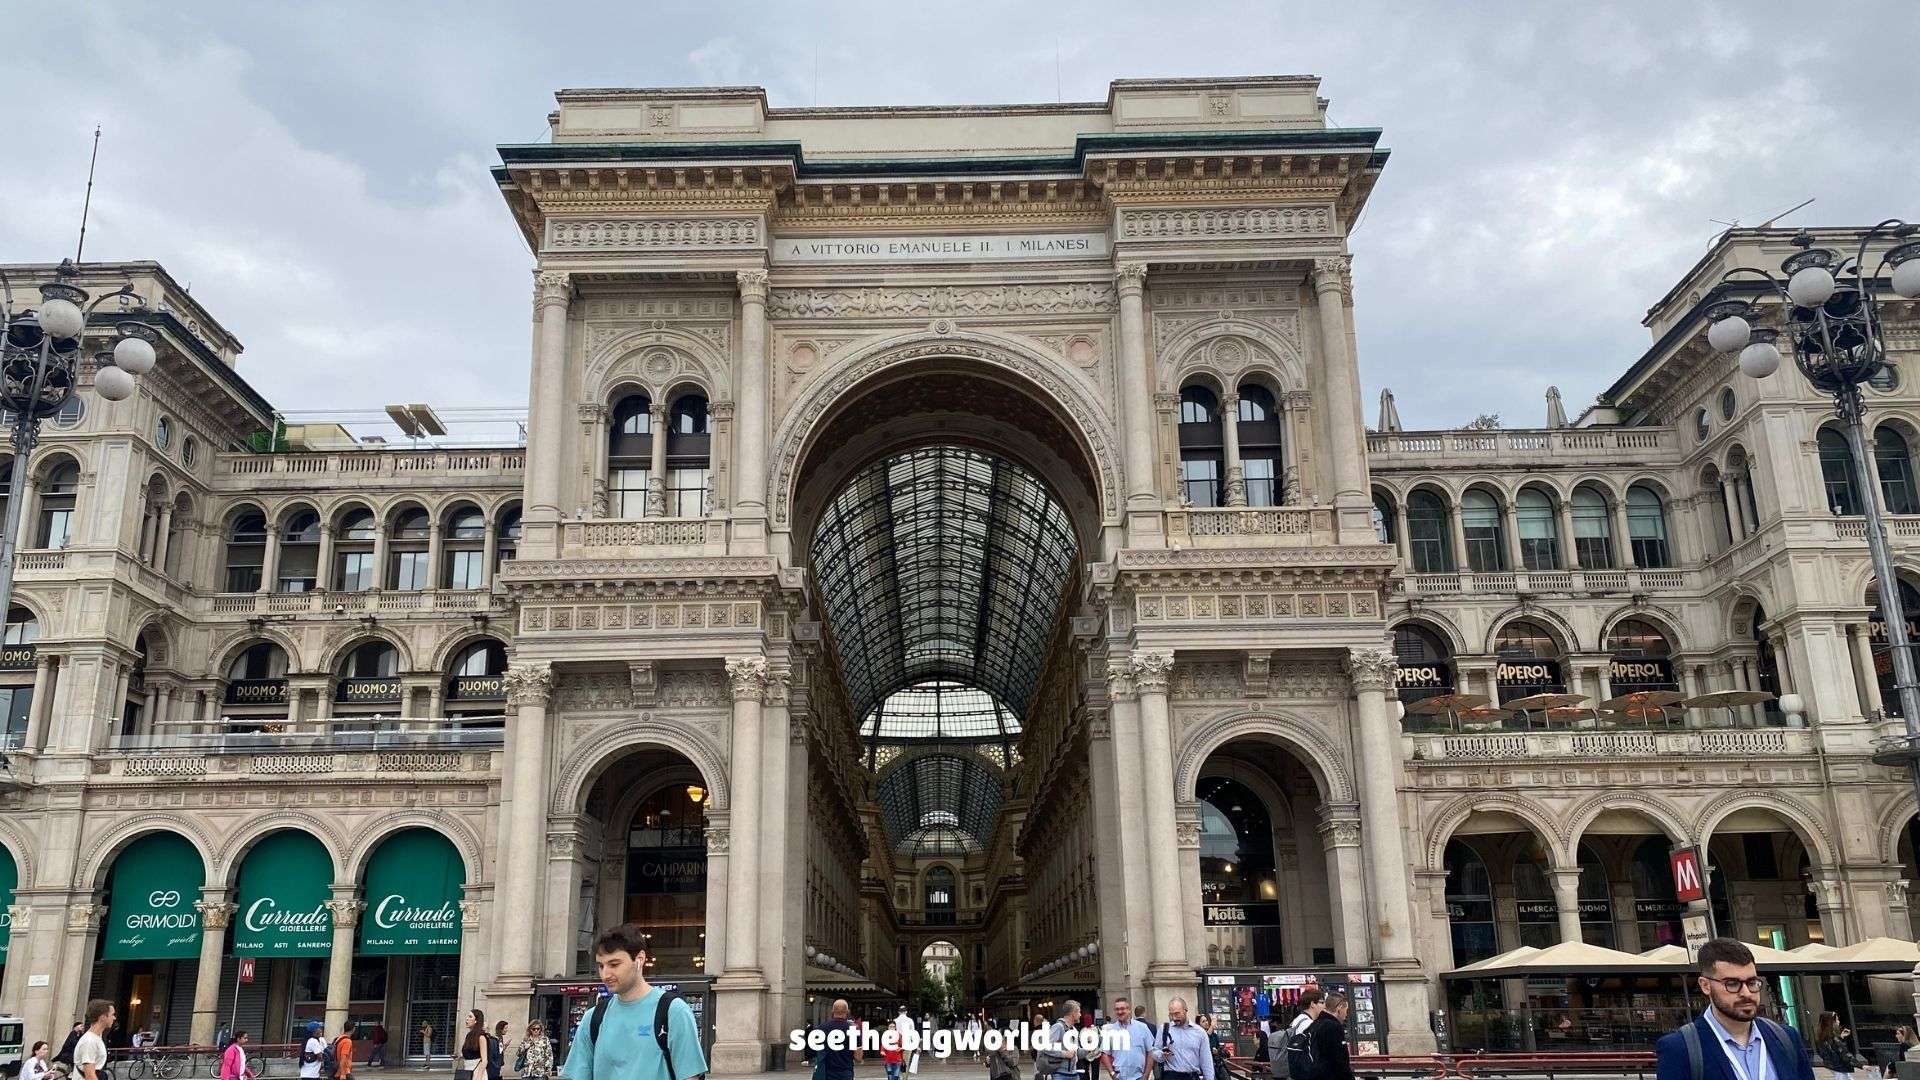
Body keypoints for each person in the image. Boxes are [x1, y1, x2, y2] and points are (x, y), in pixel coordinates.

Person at [561, 923, 707, 1080]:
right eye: (601, 966)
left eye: (614, 964)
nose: (605, 974)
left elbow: (690, 1076)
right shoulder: (593, 1018)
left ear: (640, 959)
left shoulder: (673, 1011)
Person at [1654, 937, 1814, 1080]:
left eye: (1752, 982)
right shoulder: (1680, 1048)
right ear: (1705, 985)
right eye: (1732, 984)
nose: (1746, 993)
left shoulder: (1786, 1038)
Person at [1150, 998, 1214, 1080]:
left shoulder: (1200, 1032)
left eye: (1177, 1014)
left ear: (1185, 1010)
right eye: (1171, 1014)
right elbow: (1154, 1052)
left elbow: (1206, 1060)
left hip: (1192, 1076)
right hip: (1171, 1075)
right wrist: (1162, 1055)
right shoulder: (1164, 1029)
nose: (1174, 1017)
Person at [1102, 997, 1155, 1080]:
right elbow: (1104, 1054)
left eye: (1122, 1009)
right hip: (1119, 1077)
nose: (1119, 1012)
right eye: (1117, 1009)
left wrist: (1146, 1075)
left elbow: (1150, 1052)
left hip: (1139, 1077)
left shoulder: (1142, 1028)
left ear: (1129, 1010)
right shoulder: (1111, 1030)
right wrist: (1112, 1074)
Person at [1305, 996, 1352, 1080]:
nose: (1346, 1013)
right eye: (1346, 1010)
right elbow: (1339, 1058)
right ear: (1339, 1007)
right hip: (1330, 1075)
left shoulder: (1315, 1024)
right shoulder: (1333, 1027)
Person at [1282, 991, 1325, 1080]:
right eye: (1321, 1002)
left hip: (1297, 1070)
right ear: (1313, 1004)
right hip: (1306, 1072)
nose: (1324, 1006)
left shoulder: (1298, 1020)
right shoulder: (1308, 1024)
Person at [816, 999, 860, 1080]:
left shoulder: (822, 1028)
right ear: (847, 1011)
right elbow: (858, 1057)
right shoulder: (852, 1030)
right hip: (845, 1072)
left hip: (827, 1072)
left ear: (832, 1011)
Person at [1042, 1002, 1083, 1080]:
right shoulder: (1058, 1027)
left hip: (1074, 1073)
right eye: (1079, 1012)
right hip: (1060, 1074)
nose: (1080, 1015)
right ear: (1073, 1013)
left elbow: (1077, 1053)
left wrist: (1089, 1049)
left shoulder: (1074, 1030)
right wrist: (1064, 1054)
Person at [74, 1000, 114, 1080]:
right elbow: (90, 1075)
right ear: (103, 1017)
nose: (114, 1018)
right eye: (112, 1014)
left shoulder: (96, 1038)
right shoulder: (90, 1041)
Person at [1817, 1013, 1860, 1080]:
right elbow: (1842, 1052)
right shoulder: (1831, 1038)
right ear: (1831, 1022)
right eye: (1836, 1019)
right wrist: (1861, 1066)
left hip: (1837, 1067)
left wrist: (1840, 1037)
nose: (1838, 1021)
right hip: (1839, 1067)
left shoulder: (1825, 1037)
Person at [460, 1012, 487, 1080]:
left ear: (476, 1021)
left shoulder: (481, 1037)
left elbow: (484, 1060)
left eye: (470, 1017)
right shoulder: (469, 1036)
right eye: (467, 1016)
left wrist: (478, 1077)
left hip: (477, 1072)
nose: (467, 1019)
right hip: (467, 1071)